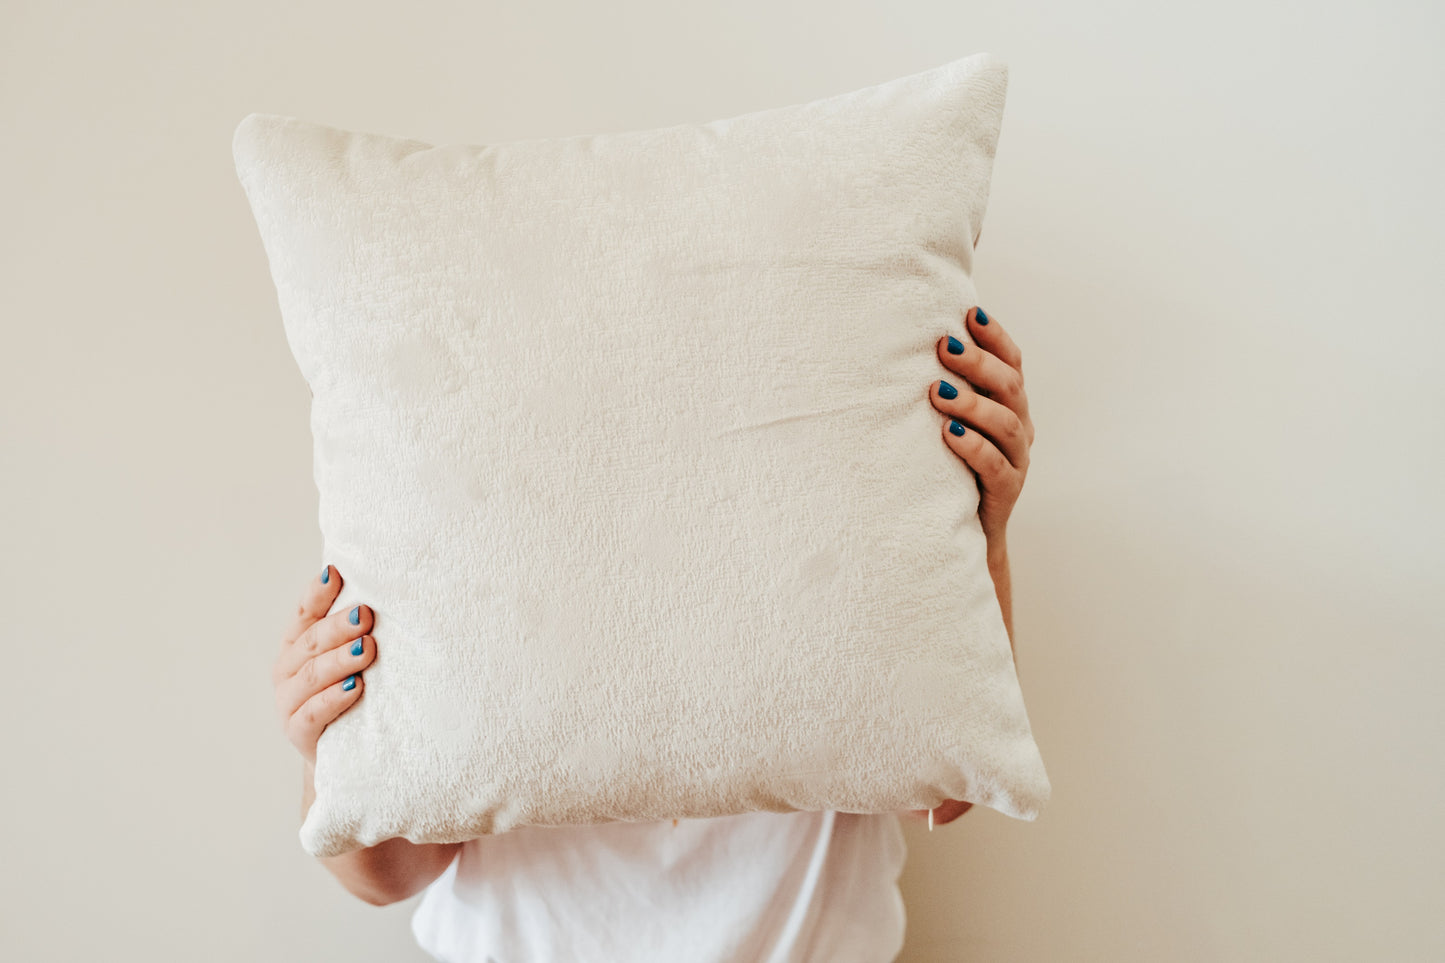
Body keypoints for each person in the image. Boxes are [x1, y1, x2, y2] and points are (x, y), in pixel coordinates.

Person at [270, 303, 1033, 962]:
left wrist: (974, 539)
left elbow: (939, 790)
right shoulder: (467, 527)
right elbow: (386, 876)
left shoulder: (815, 507)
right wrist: (332, 753)